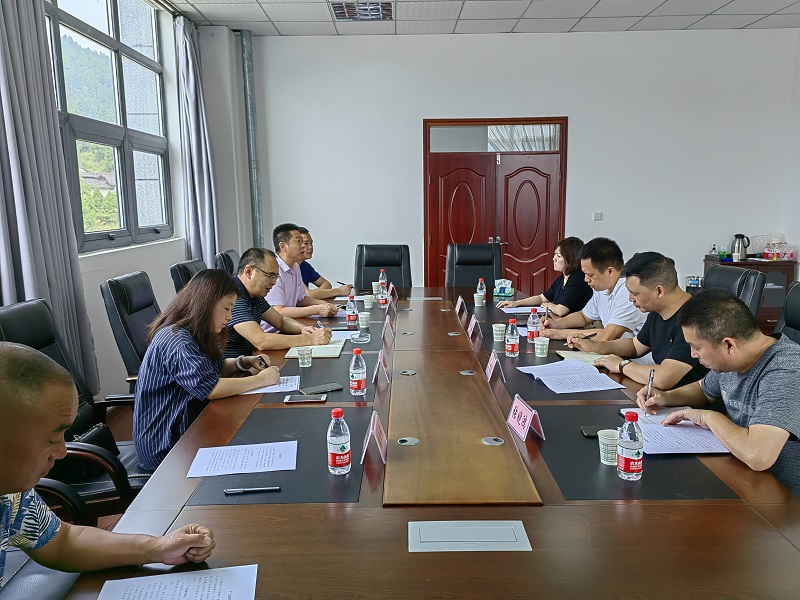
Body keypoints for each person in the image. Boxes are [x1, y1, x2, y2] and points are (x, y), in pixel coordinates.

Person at [0, 342, 216, 587]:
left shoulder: (11, 493)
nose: (61, 452)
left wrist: (158, 547)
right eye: (51, 439)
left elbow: (61, 542)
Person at [636, 289, 800, 495]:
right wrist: (666, 396)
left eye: (697, 347)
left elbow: (758, 456)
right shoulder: (734, 360)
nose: (693, 355)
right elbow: (702, 389)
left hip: (783, 498)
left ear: (729, 345)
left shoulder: (787, 369)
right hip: (742, 477)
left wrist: (708, 417)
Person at [134, 269, 281, 471]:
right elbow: (210, 388)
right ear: (207, 303)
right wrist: (261, 380)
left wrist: (243, 362)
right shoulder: (177, 340)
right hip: (166, 446)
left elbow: (213, 368)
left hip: (189, 426)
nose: (230, 317)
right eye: (227, 308)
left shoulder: (197, 331)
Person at [570, 252, 708, 389]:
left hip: (687, 399)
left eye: (635, 294)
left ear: (659, 291)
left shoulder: (694, 318)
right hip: (660, 394)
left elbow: (663, 378)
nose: (631, 299)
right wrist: (595, 346)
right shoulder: (658, 311)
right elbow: (635, 346)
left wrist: (621, 365)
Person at [224, 247, 332, 359]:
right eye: (270, 276)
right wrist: (310, 339)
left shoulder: (255, 295)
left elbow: (281, 321)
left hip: (249, 360)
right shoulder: (233, 297)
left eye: (276, 277)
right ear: (249, 271)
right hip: (232, 366)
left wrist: (303, 329)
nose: (274, 282)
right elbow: (261, 341)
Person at [541, 237, 646, 341]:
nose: (586, 279)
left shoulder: (628, 291)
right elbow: (583, 317)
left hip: (632, 352)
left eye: (590, 275)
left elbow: (608, 336)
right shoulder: (602, 288)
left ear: (610, 271)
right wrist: (556, 324)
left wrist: (560, 334)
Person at [264, 223, 340, 331]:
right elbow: (279, 311)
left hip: (290, 325)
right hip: (274, 332)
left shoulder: (295, 267)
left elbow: (301, 299)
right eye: (298, 241)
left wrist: (324, 304)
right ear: (283, 246)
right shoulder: (274, 269)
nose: (303, 246)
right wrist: (316, 309)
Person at [496, 236, 592, 317]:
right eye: (555, 254)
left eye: (559, 256)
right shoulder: (562, 278)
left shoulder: (578, 278)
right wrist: (516, 303)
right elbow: (541, 298)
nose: (554, 259)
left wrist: (549, 305)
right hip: (562, 322)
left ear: (571, 259)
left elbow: (561, 310)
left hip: (579, 328)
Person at [298, 227, 353, 300]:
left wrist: (317, 293)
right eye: (306, 243)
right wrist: (338, 291)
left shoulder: (305, 265)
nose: (310, 247)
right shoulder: (291, 267)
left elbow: (327, 284)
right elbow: (308, 295)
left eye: (311, 243)